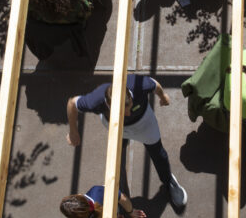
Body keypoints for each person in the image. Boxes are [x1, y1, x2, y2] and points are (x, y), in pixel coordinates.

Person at [66, 74, 188, 208]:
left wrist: (163, 96)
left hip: (143, 124)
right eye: (122, 113)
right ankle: (120, 191)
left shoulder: (139, 85)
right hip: (116, 128)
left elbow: (155, 84)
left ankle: (168, 181)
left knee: (158, 154)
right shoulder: (95, 101)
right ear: (107, 105)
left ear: (130, 96)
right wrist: (73, 131)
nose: (128, 114)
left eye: (130, 108)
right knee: (118, 156)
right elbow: (72, 103)